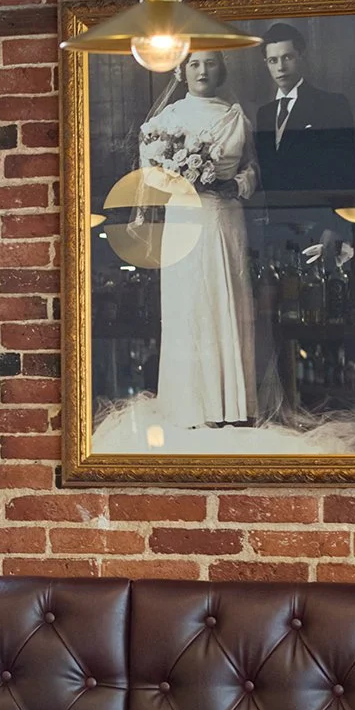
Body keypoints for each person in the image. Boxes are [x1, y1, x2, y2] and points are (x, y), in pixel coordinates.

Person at [143, 50, 265, 430]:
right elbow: (150, 174)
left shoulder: (236, 118)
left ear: (221, 69)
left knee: (225, 297)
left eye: (210, 63)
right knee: (188, 305)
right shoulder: (168, 119)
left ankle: (230, 406)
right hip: (183, 220)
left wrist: (234, 183)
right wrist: (182, 178)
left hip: (223, 218)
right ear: (182, 71)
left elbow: (252, 171)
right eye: (194, 63)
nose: (202, 70)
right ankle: (190, 406)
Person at [252, 23, 355, 206]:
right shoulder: (265, 114)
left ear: (301, 57)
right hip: (276, 221)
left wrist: (332, 227)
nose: (280, 67)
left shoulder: (331, 105)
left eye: (287, 57)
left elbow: (345, 171)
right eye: (273, 60)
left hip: (318, 218)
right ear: (266, 64)